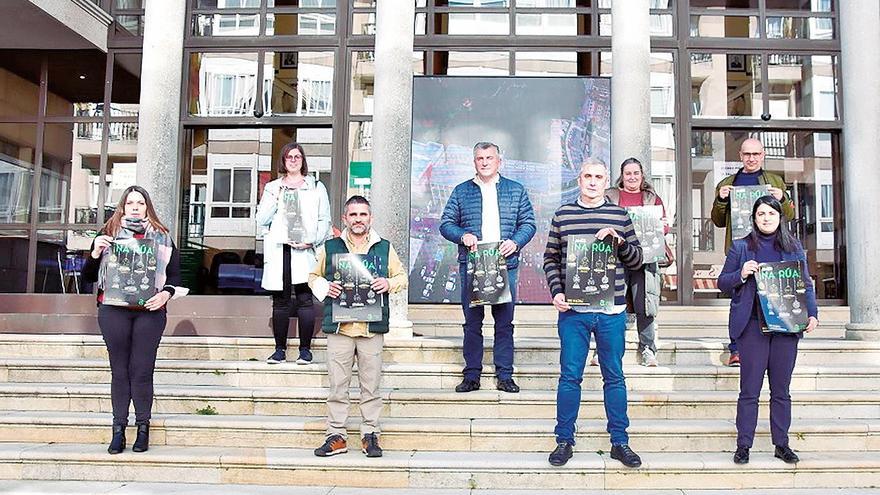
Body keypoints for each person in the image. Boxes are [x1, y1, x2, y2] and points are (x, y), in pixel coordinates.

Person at [543, 158, 644, 468]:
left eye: (599, 176)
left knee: (614, 376)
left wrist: (619, 240)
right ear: (579, 178)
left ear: (605, 182)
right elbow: (550, 259)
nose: (592, 181)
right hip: (573, 310)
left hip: (611, 309)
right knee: (570, 376)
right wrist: (557, 292)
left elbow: (637, 260)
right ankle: (564, 440)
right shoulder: (563, 215)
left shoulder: (619, 215)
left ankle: (619, 442)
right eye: (587, 175)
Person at [717, 195, 818, 465]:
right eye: (761, 214)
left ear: (779, 217)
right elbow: (722, 283)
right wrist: (741, 273)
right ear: (754, 218)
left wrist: (813, 314)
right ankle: (744, 445)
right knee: (749, 390)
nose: (766, 218)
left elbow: (805, 284)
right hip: (752, 327)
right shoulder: (740, 247)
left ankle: (781, 444)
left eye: (771, 214)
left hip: (786, 326)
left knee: (781, 390)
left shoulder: (794, 247)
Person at [81, 185, 182, 454]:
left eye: (140, 202)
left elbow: (175, 277)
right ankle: (118, 430)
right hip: (113, 310)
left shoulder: (162, 238)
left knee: (142, 370)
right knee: (120, 371)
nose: (135, 207)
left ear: (147, 207)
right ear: (122, 208)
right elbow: (88, 277)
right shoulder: (108, 234)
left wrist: (166, 295)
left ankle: (143, 429)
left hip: (149, 311)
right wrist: (94, 253)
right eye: (130, 203)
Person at [309, 195, 407, 458]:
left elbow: (401, 276)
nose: (358, 219)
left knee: (371, 385)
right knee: (337, 386)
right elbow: (313, 276)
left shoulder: (383, 247)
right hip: (340, 327)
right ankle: (336, 435)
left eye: (363, 214)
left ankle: (369, 434)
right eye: (353, 215)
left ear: (370, 218)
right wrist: (324, 287)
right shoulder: (331, 247)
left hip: (370, 327)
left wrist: (388, 283)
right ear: (345, 218)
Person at [439, 142, 536, 394]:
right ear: (474, 162)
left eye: (489, 157)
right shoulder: (461, 191)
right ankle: (472, 375)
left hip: (506, 263)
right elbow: (446, 223)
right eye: (480, 158)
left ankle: (505, 375)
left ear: (499, 161)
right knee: (473, 323)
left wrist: (515, 242)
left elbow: (528, 223)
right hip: (473, 264)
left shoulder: (516, 190)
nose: (484, 162)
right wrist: (463, 236)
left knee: (504, 323)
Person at [711, 138, 795, 367]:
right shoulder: (728, 182)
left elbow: (788, 214)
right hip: (742, 248)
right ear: (740, 155)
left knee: (771, 296)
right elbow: (717, 220)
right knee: (740, 298)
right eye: (747, 154)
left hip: (770, 246)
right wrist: (721, 199)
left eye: (756, 154)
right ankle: (736, 348)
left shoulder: (775, 181)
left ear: (763, 155)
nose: (751, 158)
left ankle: (774, 338)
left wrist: (782, 198)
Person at [256, 142, 331, 365]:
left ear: (303, 160)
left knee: (305, 300)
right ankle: (279, 350)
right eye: (289, 157)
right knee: (280, 302)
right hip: (281, 249)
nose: (293, 160)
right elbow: (261, 219)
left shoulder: (316, 186)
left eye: (297, 156)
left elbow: (324, 220)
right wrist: (278, 197)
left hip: (305, 250)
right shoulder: (273, 187)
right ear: (283, 161)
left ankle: (305, 350)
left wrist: (311, 241)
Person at [604, 157, 668, 367]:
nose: (632, 177)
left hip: (645, 259)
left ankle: (648, 349)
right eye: (628, 173)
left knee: (645, 304)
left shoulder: (652, 198)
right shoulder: (610, 196)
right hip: (615, 258)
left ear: (642, 176)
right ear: (621, 176)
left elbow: (662, 227)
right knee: (611, 305)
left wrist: (663, 226)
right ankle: (604, 350)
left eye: (636, 173)